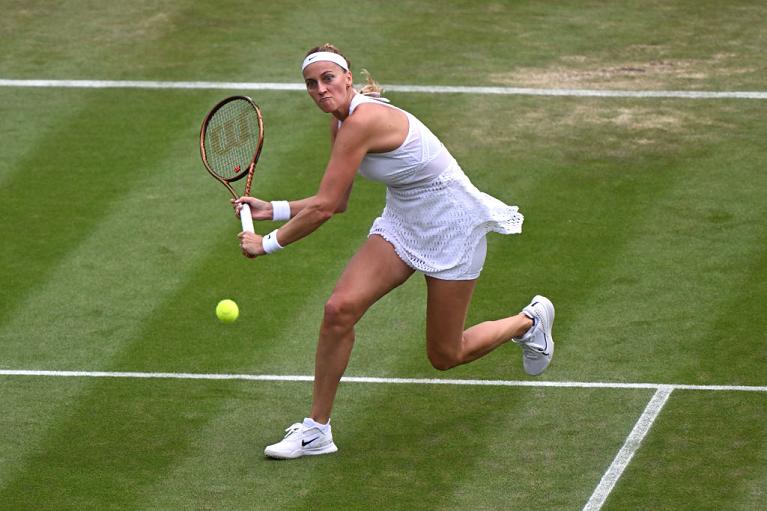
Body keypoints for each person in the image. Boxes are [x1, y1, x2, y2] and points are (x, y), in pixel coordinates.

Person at [234, 44, 555, 460]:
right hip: (404, 222)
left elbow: (327, 208)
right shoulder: (340, 124)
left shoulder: (363, 121)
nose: (319, 89)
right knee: (339, 310)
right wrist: (271, 208)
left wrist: (269, 244)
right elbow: (338, 198)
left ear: (347, 78)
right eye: (311, 83)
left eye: (328, 78)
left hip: (452, 226)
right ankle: (317, 430)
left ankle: (528, 322)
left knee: (445, 354)